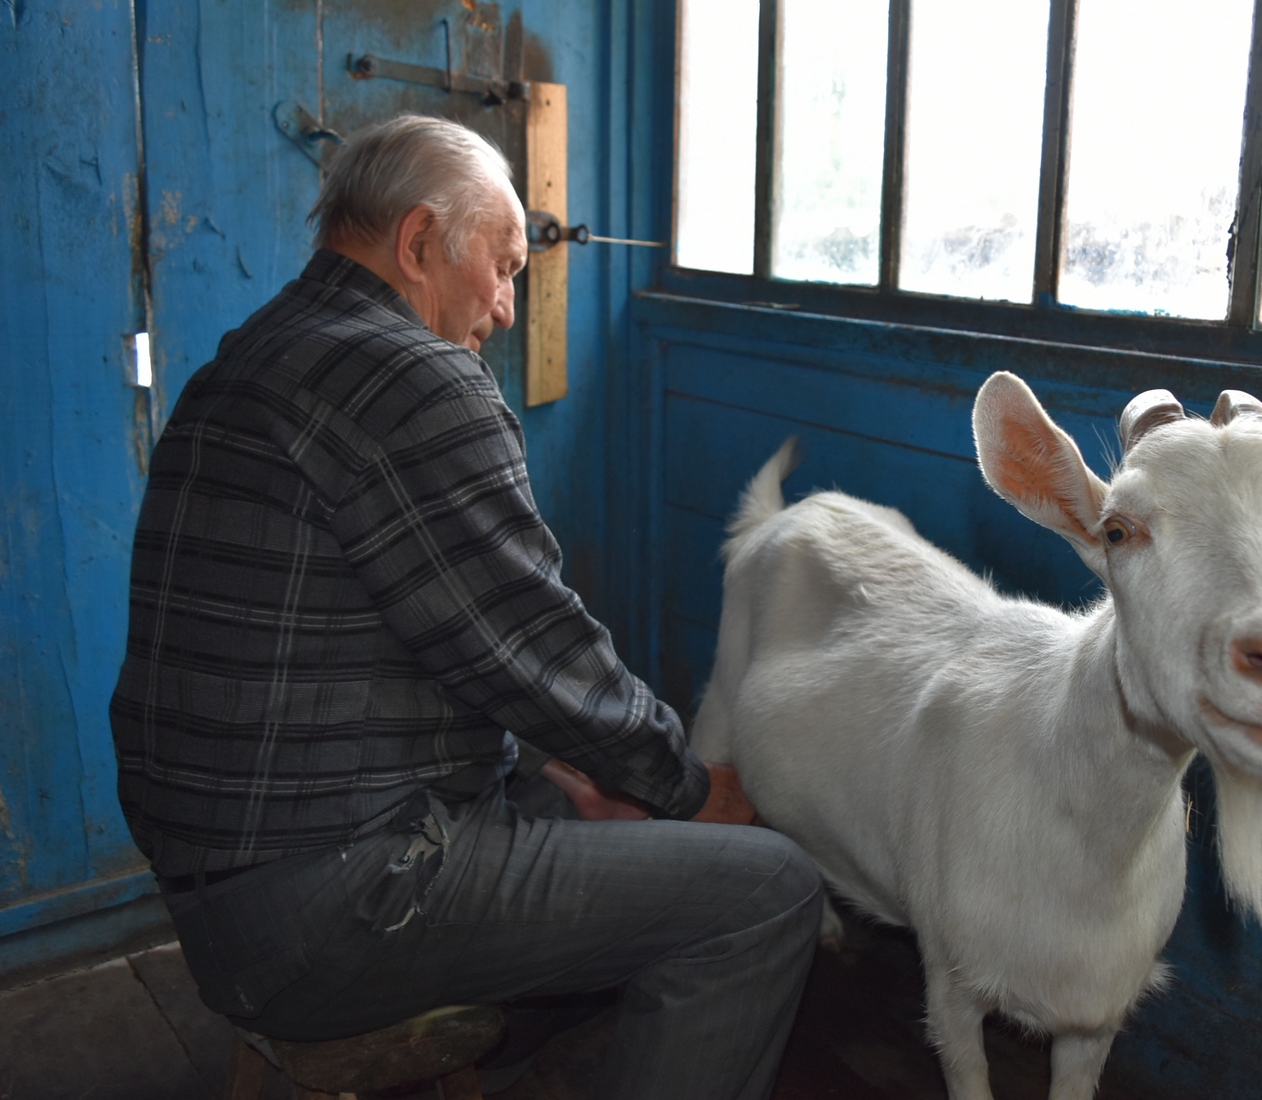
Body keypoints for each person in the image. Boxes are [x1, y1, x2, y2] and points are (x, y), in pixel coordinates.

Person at [109, 114, 822, 1100]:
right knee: (767, 891)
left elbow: (440, 636)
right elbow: (536, 648)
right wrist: (695, 790)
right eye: (502, 266)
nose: (502, 307)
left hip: (215, 898)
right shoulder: (415, 374)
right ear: (416, 242)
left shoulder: (249, 355)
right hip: (335, 905)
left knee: (585, 808)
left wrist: (582, 773)